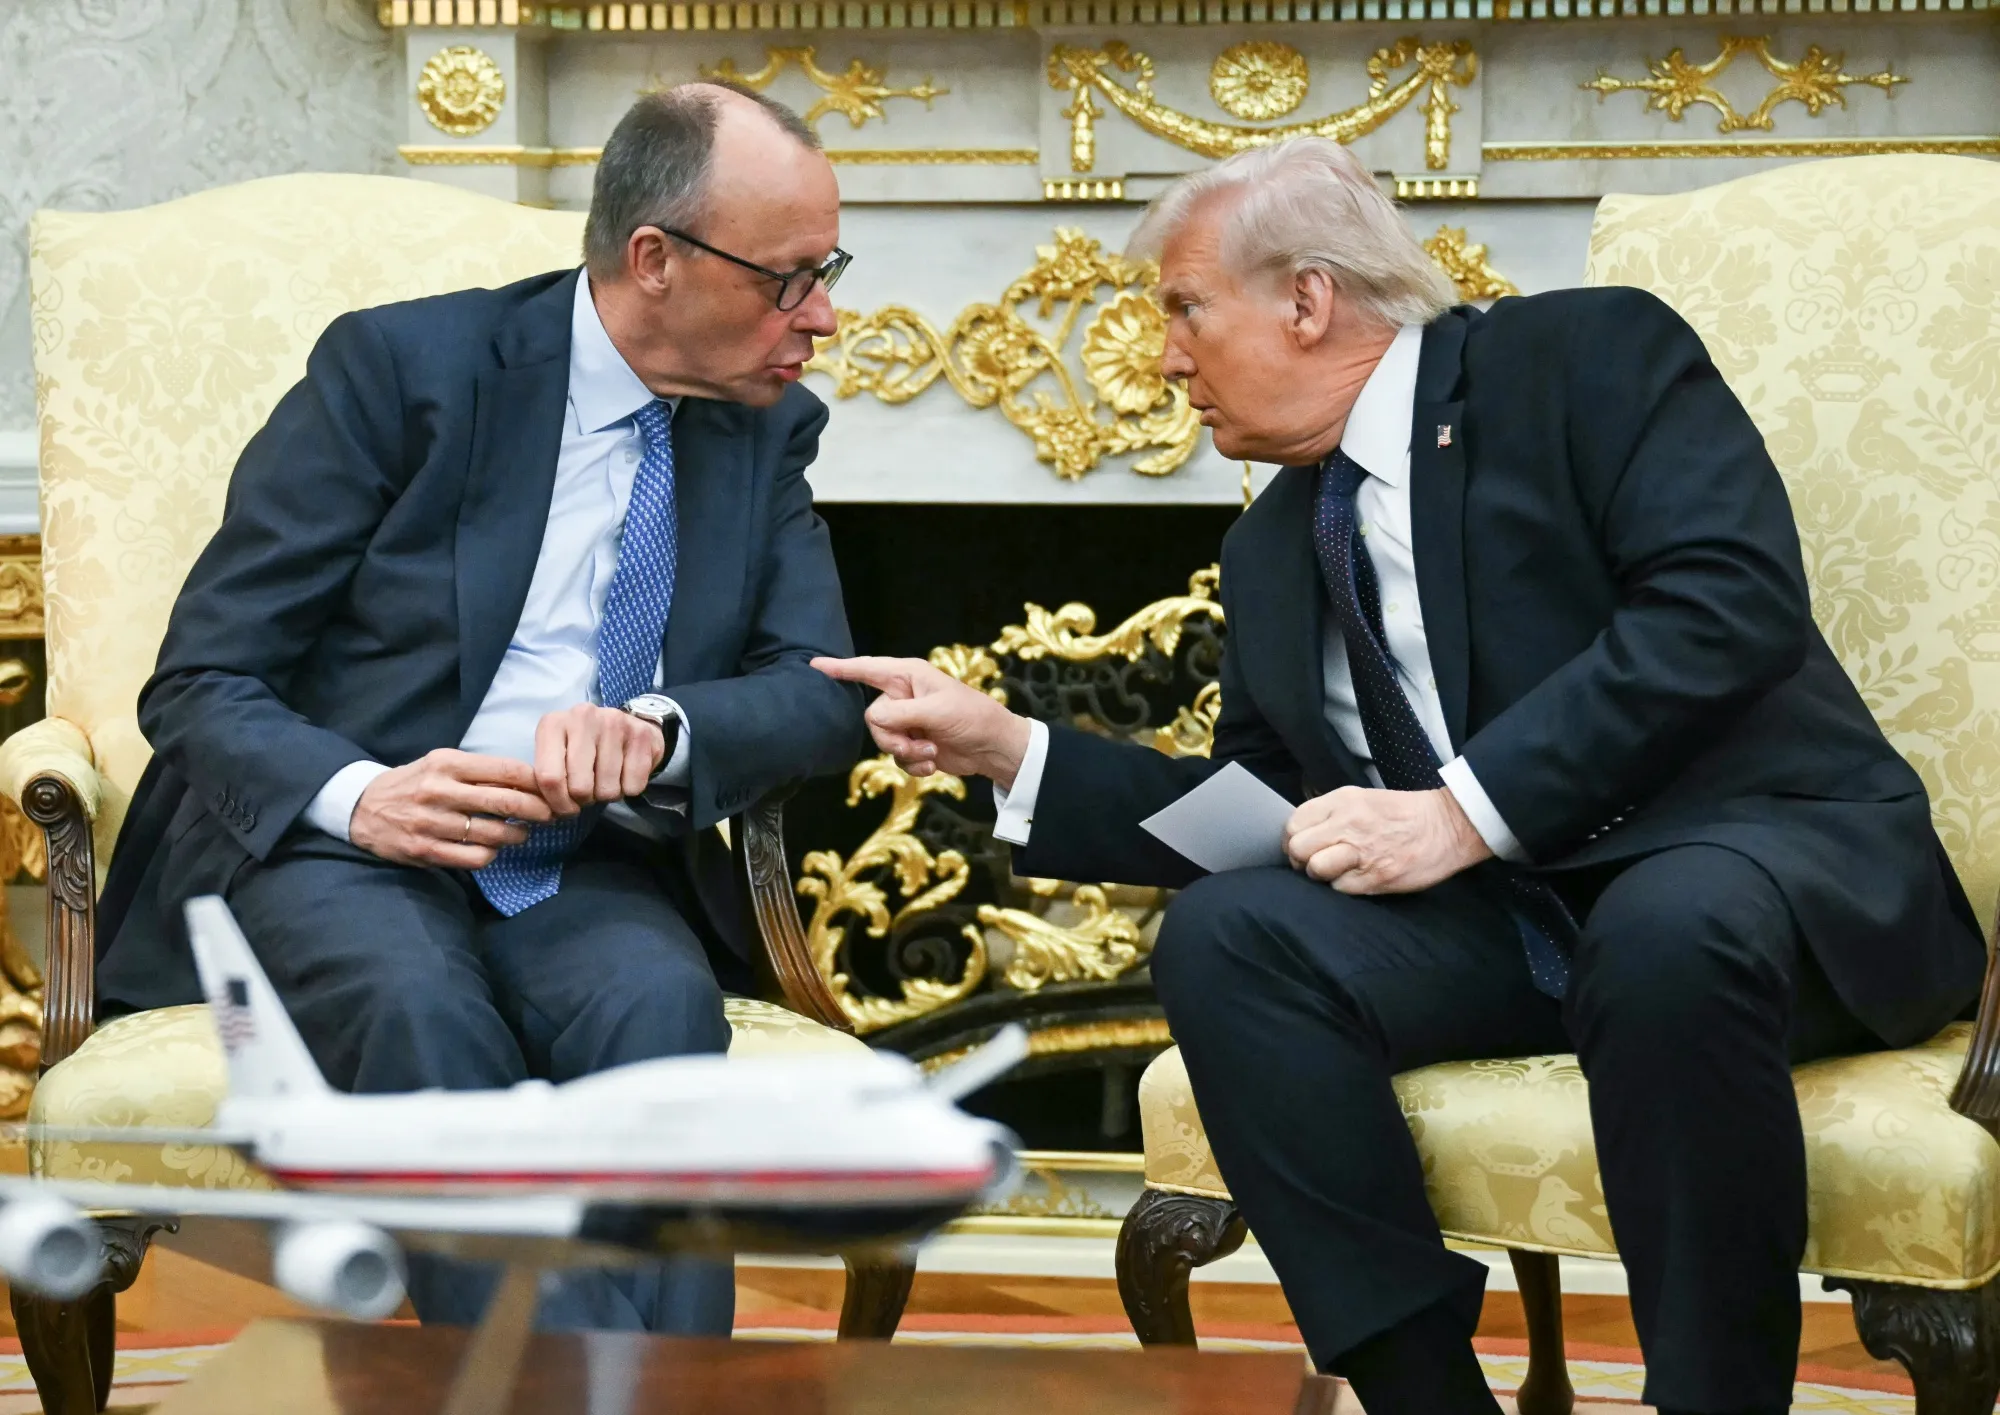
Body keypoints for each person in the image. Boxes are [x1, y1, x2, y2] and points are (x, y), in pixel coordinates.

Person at [814, 136, 1983, 1414]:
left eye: (1183, 309)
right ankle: (1422, 1394)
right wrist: (1011, 747)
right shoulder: (1271, 543)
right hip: (1524, 930)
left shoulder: (1581, 360)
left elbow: (1723, 607)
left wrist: (1461, 814)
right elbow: (1256, 813)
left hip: (1749, 873)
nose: (1161, 357)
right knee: (1228, 934)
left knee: (1662, 927)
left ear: (1306, 300)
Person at [94, 82, 870, 1333]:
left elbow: (818, 695)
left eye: (824, 269)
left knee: (658, 1009)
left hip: (580, 858)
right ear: (653, 259)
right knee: (420, 1009)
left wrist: (664, 730)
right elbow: (200, 676)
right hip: (347, 847)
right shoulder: (404, 372)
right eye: (787, 278)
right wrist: (366, 797)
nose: (820, 315)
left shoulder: (761, 433)